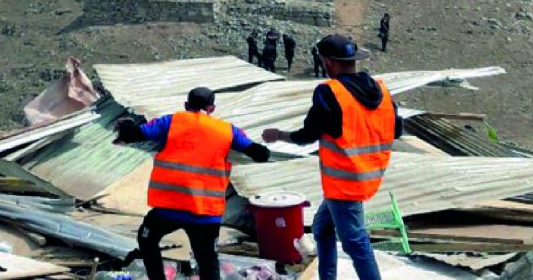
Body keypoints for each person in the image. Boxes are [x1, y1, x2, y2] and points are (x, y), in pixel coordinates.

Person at [262, 35, 402, 280]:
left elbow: (308, 134)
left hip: (344, 182)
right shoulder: (381, 89)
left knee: (356, 243)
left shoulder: (329, 93)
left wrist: (278, 135)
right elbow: (396, 129)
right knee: (323, 228)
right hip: (366, 174)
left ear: (328, 63)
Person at [114, 87, 270, 280]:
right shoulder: (228, 131)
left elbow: (132, 135)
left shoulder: (170, 122)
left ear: (186, 105)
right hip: (205, 213)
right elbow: (261, 154)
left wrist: (126, 125)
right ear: (211, 108)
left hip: (168, 209)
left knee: (147, 239)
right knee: (208, 261)